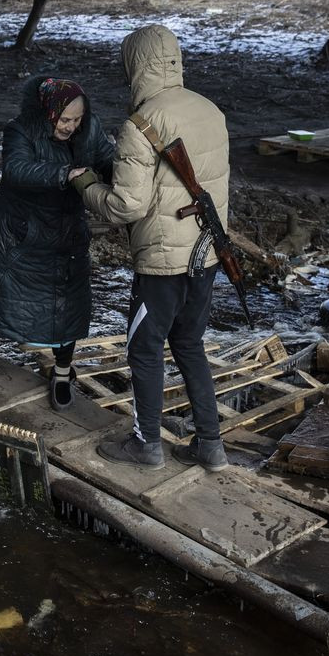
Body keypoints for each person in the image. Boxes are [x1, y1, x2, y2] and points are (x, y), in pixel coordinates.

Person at [72, 24, 231, 472]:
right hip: (208, 255)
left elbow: (126, 205)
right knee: (190, 344)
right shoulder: (210, 110)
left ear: (135, 66)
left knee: (144, 348)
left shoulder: (141, 124)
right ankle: (211, 446)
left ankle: (147, 445)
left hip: (163, 262)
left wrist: (85, 185)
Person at [0, 76, 115, 410]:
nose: (71, 126)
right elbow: (17, 169)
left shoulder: (89, 129)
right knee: (6, 297)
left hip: (68, 235)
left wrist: (130, 173)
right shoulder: (21, 130)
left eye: (77, 119)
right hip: (23, 233)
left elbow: (108, 160)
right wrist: (64, 174)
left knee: (69, 305)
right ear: (48, 112)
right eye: (65, 119)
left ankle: (63, 371)